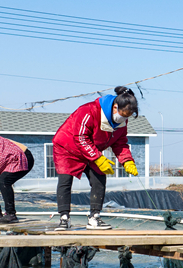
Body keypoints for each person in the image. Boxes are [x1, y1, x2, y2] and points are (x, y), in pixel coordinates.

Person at [52, 86, 139, 230]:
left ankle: (94, 217)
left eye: (127, 116)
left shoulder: (121, 122)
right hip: (68, 147)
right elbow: (80, 137)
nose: (123, 118)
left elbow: (120, 142)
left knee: (99, 178)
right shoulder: (89, 111)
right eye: (123, 114)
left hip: (92, 150)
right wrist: (98, 158)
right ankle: (64, 218)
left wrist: (127, 160)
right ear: (115, 107)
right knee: (65, 181)